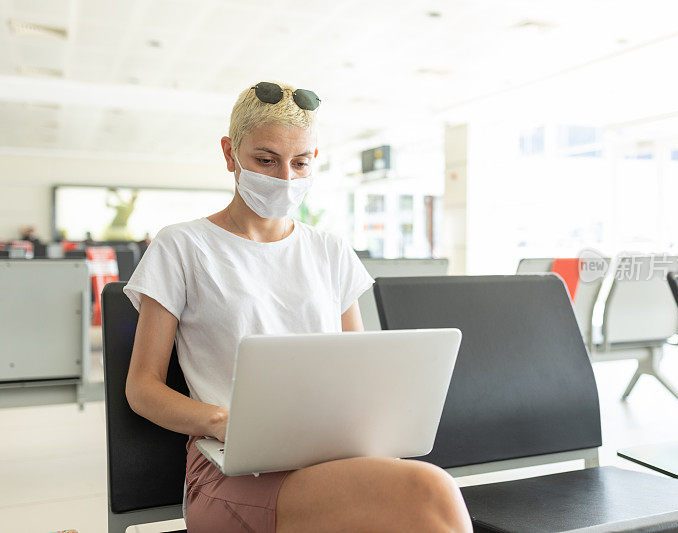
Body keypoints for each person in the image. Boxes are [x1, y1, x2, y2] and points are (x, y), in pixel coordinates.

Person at [123, 81, 471, 533]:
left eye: (300, 162)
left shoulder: (330, 250)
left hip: (327, 455)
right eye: (265, 160)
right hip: (231, 471)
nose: (285, 177)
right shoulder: (183, 245)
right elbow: (142, 388)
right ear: (230, 154)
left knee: (429, 495)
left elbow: (359, 372)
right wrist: (226, 422)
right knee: (429, 494)